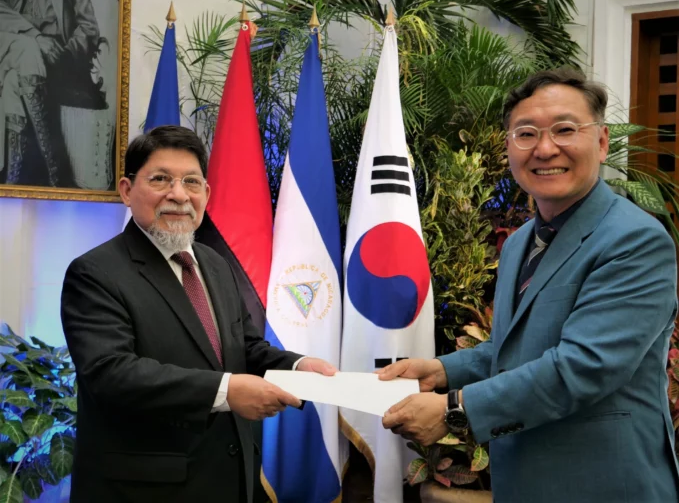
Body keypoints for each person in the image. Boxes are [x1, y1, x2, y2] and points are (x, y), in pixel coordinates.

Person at [379, 68, 679, 502]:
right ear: (509, 147)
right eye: (526, 133)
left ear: (601, 141)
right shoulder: (520, 242)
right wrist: (441, 371)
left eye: (565, 129)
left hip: (605, 484)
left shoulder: (635, 240)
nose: (545, 148)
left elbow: (585, 366)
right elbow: (515, 348)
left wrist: (455, 409)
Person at [61, 126, 335, 503]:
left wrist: (297, 365)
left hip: (231, 480)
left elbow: (244, 347)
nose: (178, 194)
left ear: (205, 193)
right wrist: (226, 391)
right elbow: (111, 374)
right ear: (126, 190)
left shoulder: (214, 264)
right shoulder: (95, 272)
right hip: (145, 491)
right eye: (160, 179)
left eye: (191, 182)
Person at [0, 0, 102, 186]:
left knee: (14, 83)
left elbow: (88, 27)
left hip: (51, 60)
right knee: (28, 50)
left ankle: (11, 185)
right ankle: (59, 176)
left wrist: (64, 54)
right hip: (6, 41)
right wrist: (36, 37)